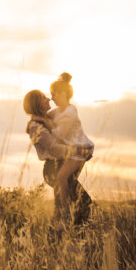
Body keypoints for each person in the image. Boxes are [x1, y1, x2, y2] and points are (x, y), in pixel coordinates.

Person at [23, 87, 93, 231]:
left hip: (63, 165)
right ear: (36, 103)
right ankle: (69, 236)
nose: (48, 99)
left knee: (66, 208)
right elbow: (53, 148)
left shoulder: (49, 117)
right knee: (82, 204)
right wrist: (77, 151)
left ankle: (61, 238)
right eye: (43, 97)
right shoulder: (35, 126)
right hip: (53, 168)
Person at [47, 72, 94, 226]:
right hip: (73, 150)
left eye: (53, 94)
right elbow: (46, 116)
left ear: (63, 93)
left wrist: (45, 123)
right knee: (67, 181)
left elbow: (60, 133)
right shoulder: (58, 110)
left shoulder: (69, 112)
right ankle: (73, 211)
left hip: (80, 149)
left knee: (62, 177)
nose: (51, 98)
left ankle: (66, 211)